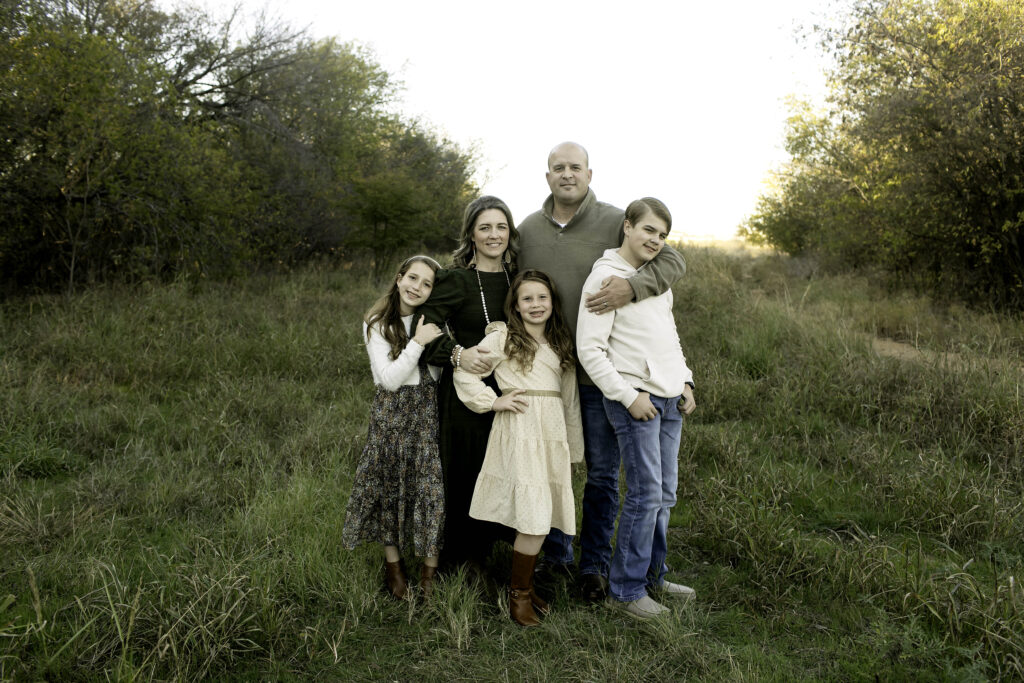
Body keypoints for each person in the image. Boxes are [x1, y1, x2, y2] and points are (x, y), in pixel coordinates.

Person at [516, 142, 687, 601]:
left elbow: (670, 258)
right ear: (547, 175)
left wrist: (632, 288)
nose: (567, 174)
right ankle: (554, 555)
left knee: (603, 474)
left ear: (590, 174)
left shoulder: (615, 218)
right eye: (558, 168)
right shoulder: (528, 228)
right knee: (550, 464)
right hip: (546, 369)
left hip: (601, 373)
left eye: (575, 167)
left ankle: (593, 565)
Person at [576, 197, 697, 620]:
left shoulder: (652, 278)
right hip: (636, 400)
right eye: (648, 230)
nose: (656, 240)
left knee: (664, 495)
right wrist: (629, 396)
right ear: (627, 227)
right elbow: (589, 350)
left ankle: (652, 576)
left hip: (669, 397)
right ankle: (626, 592)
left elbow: (669, 335)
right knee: (644, 495)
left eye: (662, 235)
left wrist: (684, 378)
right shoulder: (605, 279)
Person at [453, 270, 583, 626]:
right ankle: (518, 596)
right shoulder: (503, 338)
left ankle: (525, 587)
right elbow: (464, 373)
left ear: (552, 302)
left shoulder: (560, 342)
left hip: (551, 432)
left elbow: (569, 400)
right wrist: (492, 401)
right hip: (520, 429)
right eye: (527, 299)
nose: (536, 305)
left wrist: (572, 449)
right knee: (534, 518)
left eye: (542, 297)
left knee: (541, 512)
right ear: (516, 305)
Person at [414, 196, 519, 572]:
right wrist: (458, 354)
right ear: (471, 234)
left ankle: (502, 550)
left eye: (501, 227)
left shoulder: (519, 276)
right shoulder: (455, 279)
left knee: (507, 467)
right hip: (465, 391)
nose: (494, 235)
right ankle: (461, 560)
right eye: (485, 227)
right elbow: (420, 332)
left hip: (511, 389)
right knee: (469, 472)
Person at [342, 255, 446, 599]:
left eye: (427, 283)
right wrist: (417, 342)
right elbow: (389, 380)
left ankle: (429, 574)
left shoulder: (433, 320)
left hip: (427, 414)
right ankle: (394, 568)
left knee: (431, 491)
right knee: (389, 490)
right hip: (393, 415)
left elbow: (441, 371)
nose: (417, 287)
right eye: (413, 278)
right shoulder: (377, 322)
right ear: (399, 278)